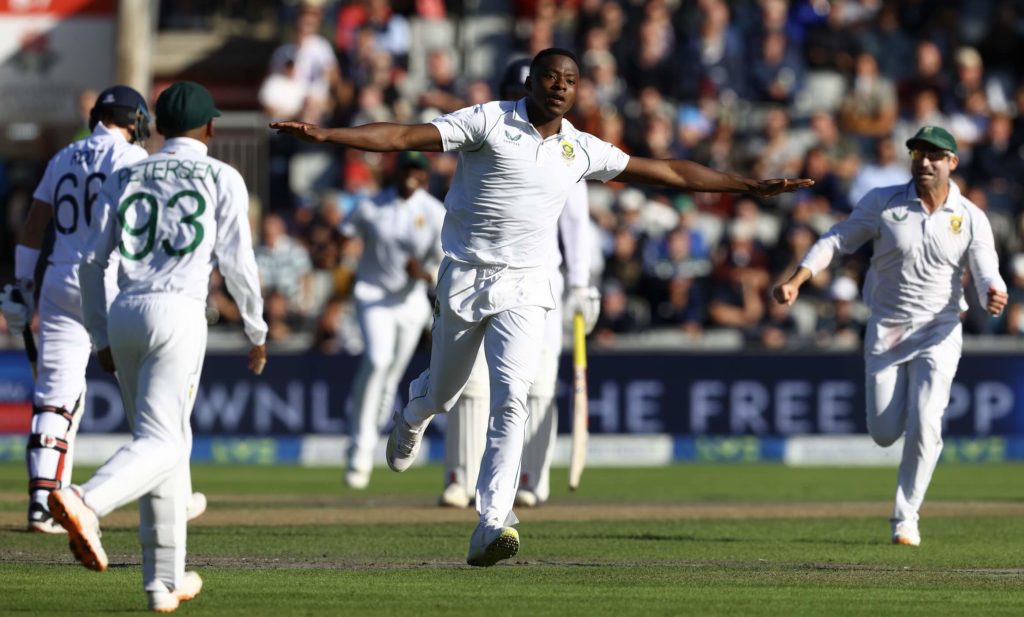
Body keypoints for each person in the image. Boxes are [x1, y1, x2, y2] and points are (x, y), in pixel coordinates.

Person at [272, 47, 811, 567]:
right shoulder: (488, 120)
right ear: (529, 82)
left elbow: (669, 172)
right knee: (445, 391)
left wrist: (746, 186)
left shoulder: (581, 148)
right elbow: (404, 135)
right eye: (550, 76)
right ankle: (414, 411)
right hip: (464, 277)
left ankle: (492, 521)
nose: (560, 86)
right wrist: (328, 134)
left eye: (570, 80)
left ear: (579, 90)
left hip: (529, 285)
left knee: (512, 401)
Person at [47, 81, 268, 612]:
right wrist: (257, 332)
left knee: (164, 447)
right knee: (165, 444)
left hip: (125, 312)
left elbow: (93, 263)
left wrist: (100, 333)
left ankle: (162, 583)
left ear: (159, 127)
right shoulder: (222, 175)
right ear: (211, 127)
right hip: (178, 311)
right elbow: (238, 262)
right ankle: (84, 499)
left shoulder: (126, 172)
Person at [773, 126, 1007, 547]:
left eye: (935, 155)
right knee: (884, 433)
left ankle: (906, 517)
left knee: (926, 420)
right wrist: (798, 279)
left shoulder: (971, 215)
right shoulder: (883, 202)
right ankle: (917, 464)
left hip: (940, 327)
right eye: (918, 153)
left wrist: (994, 289)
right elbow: (837, 239)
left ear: (952, 162)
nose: (925, 161)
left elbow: (986, 264)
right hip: (886, 327)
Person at [0, 85, 205, 534]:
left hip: (58, 279)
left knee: (55, 393)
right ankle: (174, 493)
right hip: (110, 281)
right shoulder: (133, 159)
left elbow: (33, 227)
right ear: (134, 120)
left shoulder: (63, 157)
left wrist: (21, 286)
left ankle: (41, 501)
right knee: (154, 398)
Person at [439, 58, 600, 509]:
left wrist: (581, 284)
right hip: (479, 272)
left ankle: (532, 477)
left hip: (540, 281)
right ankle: (461, 478)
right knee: (468, 383)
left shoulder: (569, 149)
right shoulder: (491, 128)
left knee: (536, 383)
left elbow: (576, 225)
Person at [342, 150, 446, 490]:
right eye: (405, 170)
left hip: (411, 303)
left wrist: (426, 272)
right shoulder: (372, 206)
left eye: (416, 171)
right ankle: (360, 448)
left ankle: (371, 436)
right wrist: (339, 248)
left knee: (391, 377)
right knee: (377, 360)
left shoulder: (433, 211)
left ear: (425, 177)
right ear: (396, 174)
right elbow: (343, 235)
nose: (409, 177)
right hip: (373, 296)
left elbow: (444, 262)